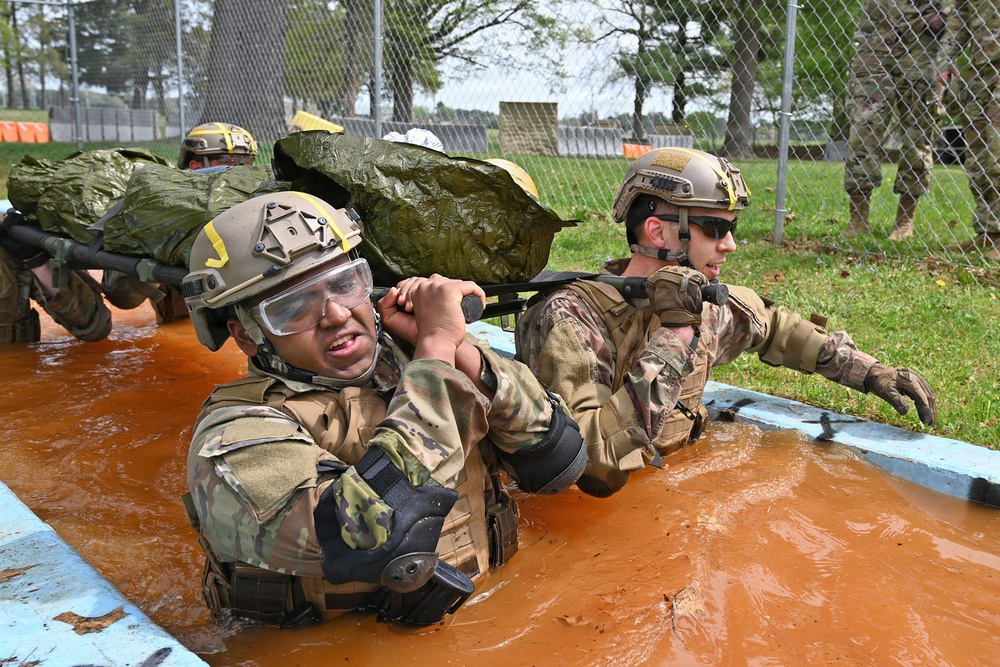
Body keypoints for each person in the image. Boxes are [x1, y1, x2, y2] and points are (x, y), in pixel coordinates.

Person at [181, 192, 585, 626]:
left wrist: (459, 352)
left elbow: (558, 458)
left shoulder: (418, 354)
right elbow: (374, 535)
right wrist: (436, 349)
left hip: (498, 613)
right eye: (293, 307)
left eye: (345, 284)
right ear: (248, 335)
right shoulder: (235, 432)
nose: (336, 315)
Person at [516, 147, 937, 498]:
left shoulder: (706, 304)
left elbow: (777, 330)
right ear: (657, 232)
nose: (730, 245)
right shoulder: (572, 319)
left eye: (731, 227)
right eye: (715, 227)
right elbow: (590, 464)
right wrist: (676, 334)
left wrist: (872, 373)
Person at [103, 122, 262, 324]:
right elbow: (122, 296)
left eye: (245, 162)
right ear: (195, 167)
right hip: (180, 305)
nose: (239, 170)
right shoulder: (164, 206)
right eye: (227, 161)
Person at [843, 0, 952, 240]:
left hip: (924, 46)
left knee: (918, 135)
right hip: (875, 41)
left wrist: (947, 16)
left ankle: (904, 220)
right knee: (863, 130)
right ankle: (858, 219)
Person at [940, 1, 1000, 260]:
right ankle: (990, 231)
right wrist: (945, 59)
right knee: (977, 155)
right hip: (981, 68)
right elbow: (961, 14)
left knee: (998, 150)